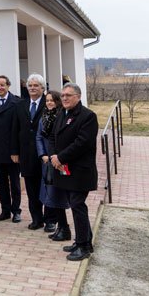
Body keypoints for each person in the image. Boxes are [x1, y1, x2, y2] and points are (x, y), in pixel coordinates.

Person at [50, 83, 98, 261]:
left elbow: (82, 143)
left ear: (78, 97)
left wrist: (60, 157)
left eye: (68, 95)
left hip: (80, 170)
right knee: (74, 203)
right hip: (63, 168)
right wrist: (53, 155)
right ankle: (82, 241)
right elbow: (53, 136)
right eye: (62, 95)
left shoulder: (87, 116)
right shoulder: (62, 113)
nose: (64, 98)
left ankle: (84, 246)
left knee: (77, 205)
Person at [12, 73, 46, 230]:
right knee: (32, 190)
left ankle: (50, 220)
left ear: (42, 88)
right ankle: (36, 219)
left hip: (45, 154)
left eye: (36, 86)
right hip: (26, 155)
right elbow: (15, 129)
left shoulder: (49, 103)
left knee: (47, 188)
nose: (32, 88)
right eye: (30, 86)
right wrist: (14, 151)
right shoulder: (21, 105)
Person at [0, 75, 22, 222]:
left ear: (8, 86)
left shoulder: (17, 102)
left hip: (12, 149)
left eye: (2, 85)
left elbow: (19, 128)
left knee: (14, 182)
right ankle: (5, 210)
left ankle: (16, 211)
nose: (0, 88)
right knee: (1, 183)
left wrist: (16, 151)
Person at [36, 90, 71, 240]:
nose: (49, 103)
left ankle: (62, 226)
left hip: (60, 161)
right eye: (47, 100)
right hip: (47, 161)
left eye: (52, 100)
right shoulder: (43, 117)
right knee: (49, 192)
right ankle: (57, 224)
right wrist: (43, 155)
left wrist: (56, 157)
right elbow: (39, 137)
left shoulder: (62, 116)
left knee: (60, 193)